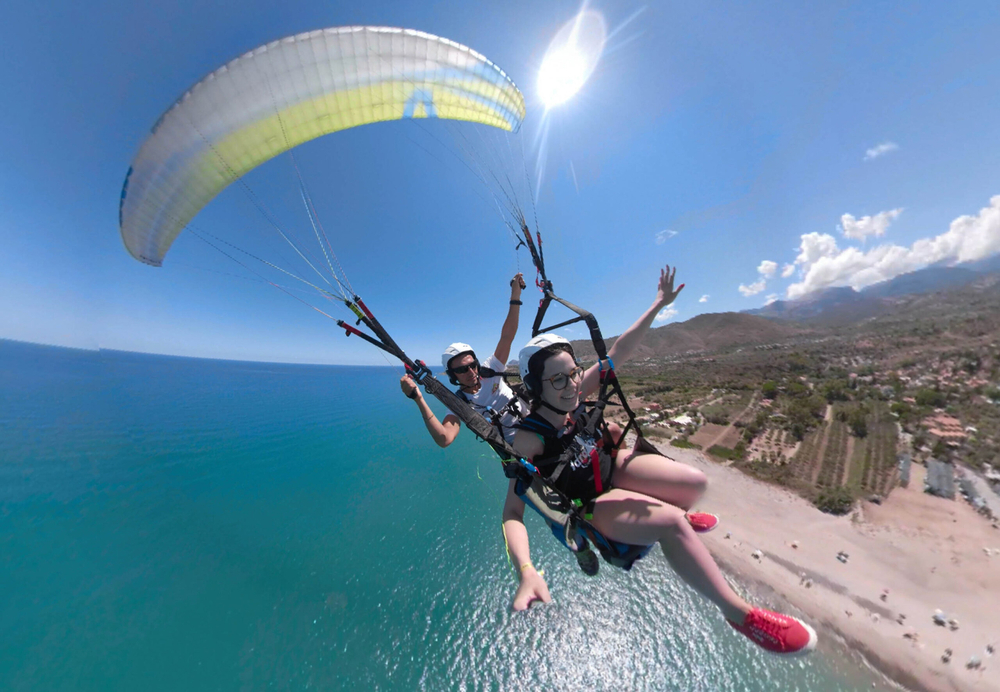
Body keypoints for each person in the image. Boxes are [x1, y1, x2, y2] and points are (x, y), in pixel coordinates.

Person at [503, 265, 818, 656]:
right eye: (558, 380)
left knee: (695, 484)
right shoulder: (530, 440)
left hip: (612, 472)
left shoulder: (575, 396)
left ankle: (675, 519)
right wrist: (526, 571)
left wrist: (658, 304)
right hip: (589, 505)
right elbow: (512, 512)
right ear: (536, 387)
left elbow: (617, 353)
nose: (571, 386)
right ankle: (740, 615)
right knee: (670, 523)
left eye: (573, 374)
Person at [400, 272, 528, 446]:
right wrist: (418, 398)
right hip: (519, 449)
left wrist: (516, 294)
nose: (470, 372)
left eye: (472, 365)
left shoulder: (491, 370)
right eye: (461, 369)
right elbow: (444, 438)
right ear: (453, 375)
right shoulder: (460, 402)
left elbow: (507, 335)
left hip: (539, 424)